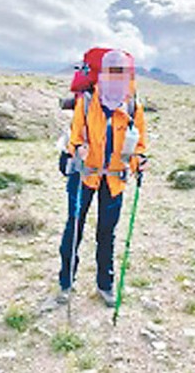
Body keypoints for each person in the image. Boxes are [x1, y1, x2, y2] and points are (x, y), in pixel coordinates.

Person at [56, 49, 148, 307]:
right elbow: (74, 138)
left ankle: (105, 285)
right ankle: (66, 282)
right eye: (112, 73)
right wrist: (78, 150)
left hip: (115, 180)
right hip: (84, 175)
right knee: (74, 228)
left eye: (122, 74)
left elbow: (139, 144)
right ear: (103, 75)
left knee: (107, 233)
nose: (116, 80)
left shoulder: (132, 106)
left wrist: (139, 160)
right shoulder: (86, 103)